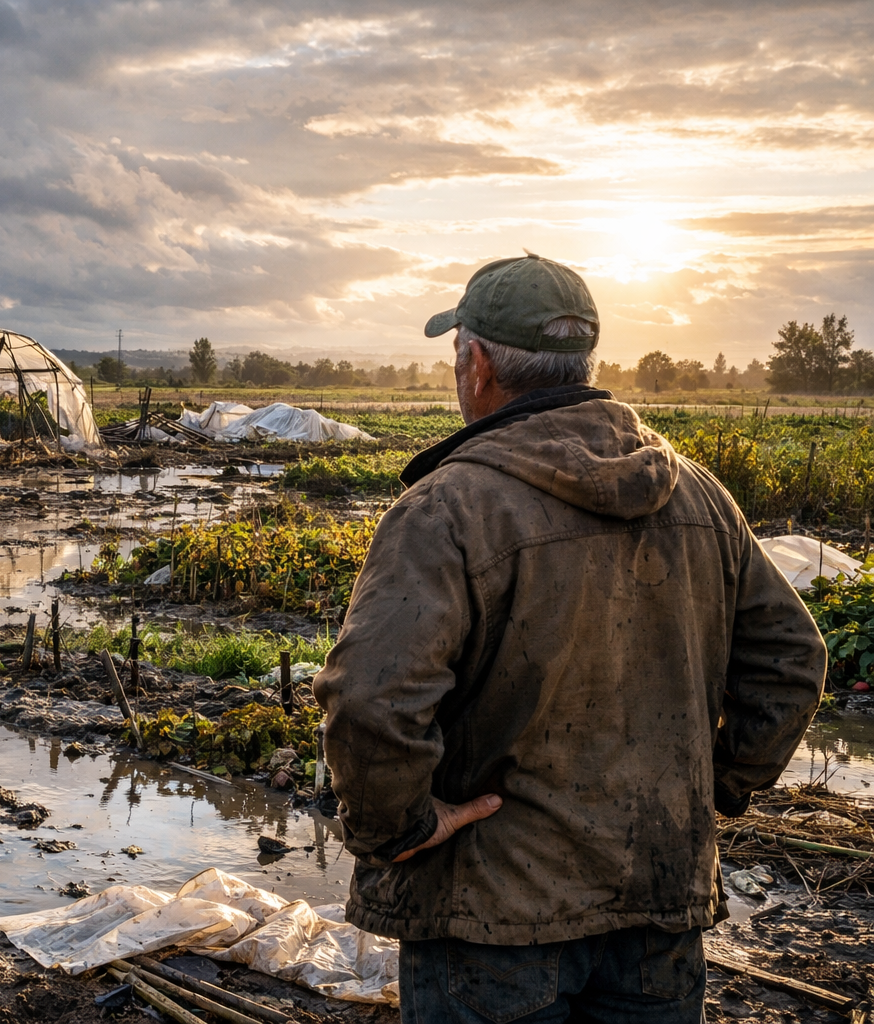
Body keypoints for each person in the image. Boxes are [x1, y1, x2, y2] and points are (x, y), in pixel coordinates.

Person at [312, 255, 826, 1023]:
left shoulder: (447, 508)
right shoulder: (699, 495)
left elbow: (371, 702)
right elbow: (793, 660)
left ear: (477, 363)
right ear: (584, 362)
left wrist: (400, 829)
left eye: (459, 353)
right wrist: (716, 787)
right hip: (660, 900)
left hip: (492, 921)